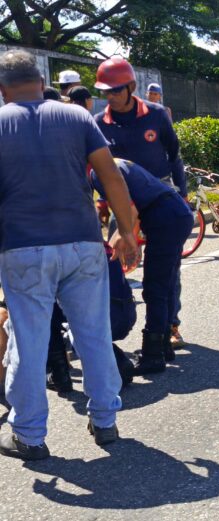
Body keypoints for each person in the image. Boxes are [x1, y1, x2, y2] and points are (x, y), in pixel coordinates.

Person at [0, 50, 137, 460]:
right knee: (93, 333)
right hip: (83, 243)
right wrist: (127, 231)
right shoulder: (77, 117)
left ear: (2, 88)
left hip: (23, 248)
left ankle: (28, 434)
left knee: (29, 338)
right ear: (41, 82)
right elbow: (109, 174)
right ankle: (106, 420)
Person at [94, 57, 189, 348]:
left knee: (165, 269)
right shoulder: (98, 124)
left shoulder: (157, 115)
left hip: (159, 198)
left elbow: (174, 156)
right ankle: (113, 323)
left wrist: (181, 195)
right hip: (121, 202)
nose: (110, 96)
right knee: (114, 260)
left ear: (131, 87)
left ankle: (170, 324)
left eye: (116, 90)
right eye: (105, 92)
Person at [91, 159, 193, 374]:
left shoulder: (99, 172)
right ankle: (163, 346)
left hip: (165, 217)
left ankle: (153, 356)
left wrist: (124, 242)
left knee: (155, 287)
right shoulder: (111, 162)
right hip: (175, 213)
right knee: (163, 285)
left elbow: (129, 210)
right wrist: (130, 239)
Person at [47, 242, 137, 392]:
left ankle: (59, 374)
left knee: (43, 308)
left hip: (95, 321)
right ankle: (113, 360)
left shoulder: (55, 250)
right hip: (124, 315)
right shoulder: (101, 243)